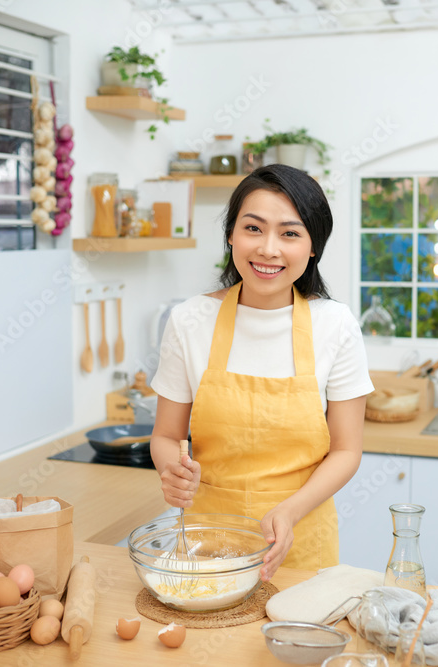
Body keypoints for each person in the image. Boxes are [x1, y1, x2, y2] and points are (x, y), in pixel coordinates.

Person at [150, 164, 374, 581]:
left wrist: (288, 511)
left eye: (290, 233)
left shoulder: (335, 325)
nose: (268, 249)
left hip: (302, 542)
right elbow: (166, 436)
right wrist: (171, 471)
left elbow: (347, 450)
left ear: (312, 248)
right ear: (231, 235)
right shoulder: (190, 320)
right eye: (253, 228)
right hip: (207, 547)